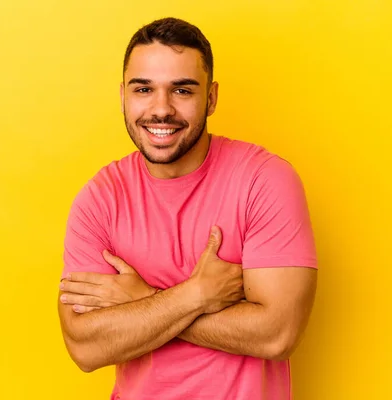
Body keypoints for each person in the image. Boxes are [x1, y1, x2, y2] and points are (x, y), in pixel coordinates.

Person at [57, 17, 318, 400]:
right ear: (123, 96)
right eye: (144, 89)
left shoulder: (264, 180)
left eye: (182, 90)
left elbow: (277, 334)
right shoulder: (100, 198)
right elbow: (84, 347)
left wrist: (141, 298)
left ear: (211, 97)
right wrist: (195, 295)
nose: (161, 110)